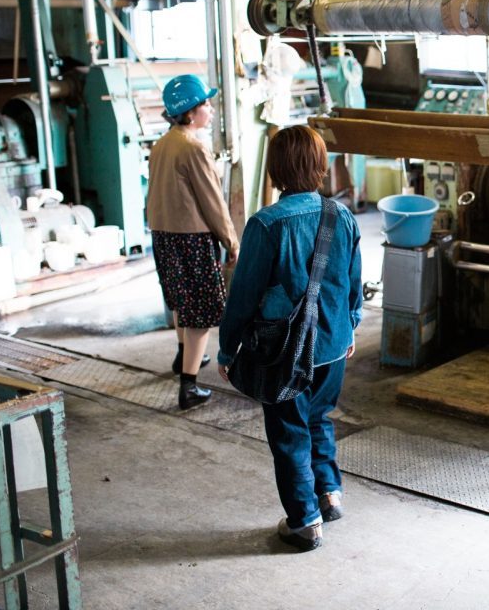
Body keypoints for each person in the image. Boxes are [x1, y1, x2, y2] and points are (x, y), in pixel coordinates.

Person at [218, 125, 362, 553]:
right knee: (319, 418)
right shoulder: (344, 216)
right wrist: (349, 325)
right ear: (320, 167)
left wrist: (228, 350)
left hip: (284, 351)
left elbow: (242, 298)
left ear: (276, 171)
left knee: (288, 431)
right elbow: (353, 284)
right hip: (333, 345)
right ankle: (329, 494)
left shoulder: (266, 225)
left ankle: (304, 522)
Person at [147, 74, 239, 411]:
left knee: (180, 300)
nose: (211, 109)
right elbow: (212, 201)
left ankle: (182, 358)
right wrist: (232, 241)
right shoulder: (195, 148)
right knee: (200, 311)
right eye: (206, 104)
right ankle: (189, 388)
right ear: (190, 112)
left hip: (162, 236)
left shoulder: (162, 144)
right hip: (192, 239)